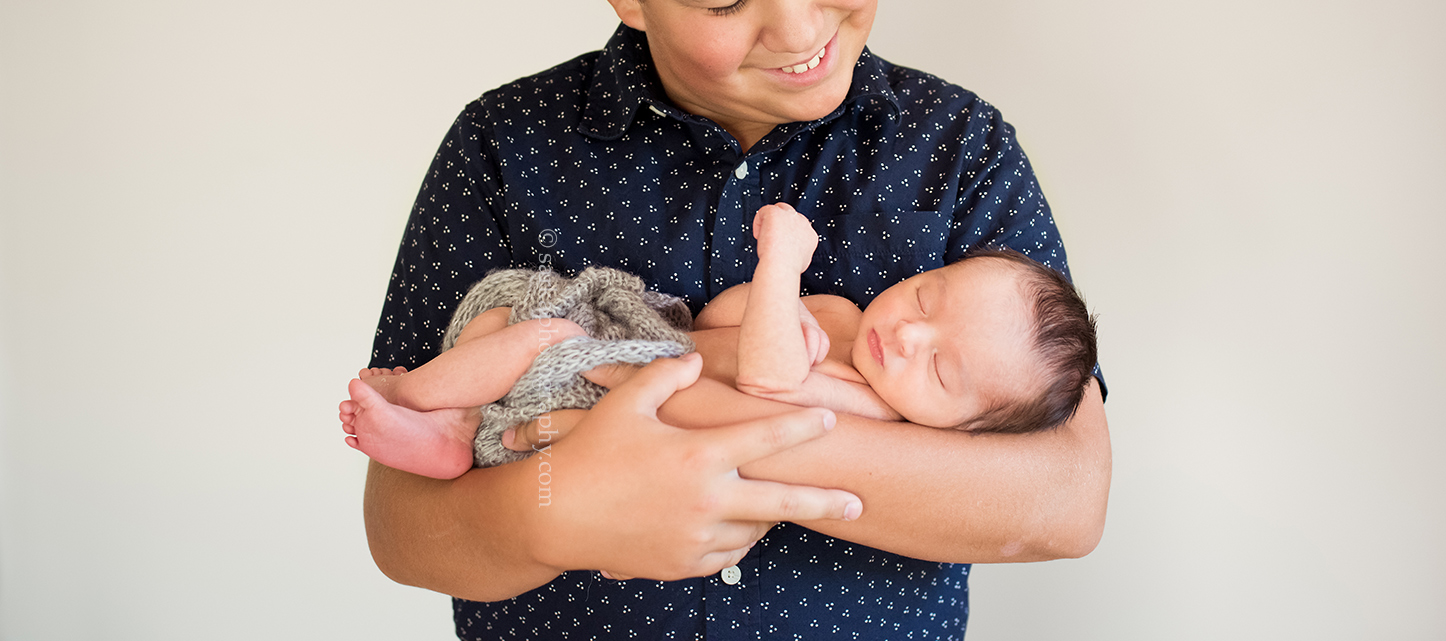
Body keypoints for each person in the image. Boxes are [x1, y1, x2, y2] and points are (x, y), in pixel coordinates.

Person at [363, 0, 1110, 641]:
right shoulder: (506, 146)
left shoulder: (957, 148)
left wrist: (699, 441)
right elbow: (400, 523)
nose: (799, 31)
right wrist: (552, 502)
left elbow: (1065, 495)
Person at [342, 203, 1098, 482]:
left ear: (961, 431)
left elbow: (767, 381)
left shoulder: (868, 404)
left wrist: (781, 264)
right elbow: (721, 319)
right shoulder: (842, 315)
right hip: (655, 336)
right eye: (928, 296)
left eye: (937, 366)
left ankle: (413, 399)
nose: (905, 331)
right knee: (502, 319)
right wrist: (775, 302)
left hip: (634, 381)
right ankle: (448, 426)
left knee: (542, 334)